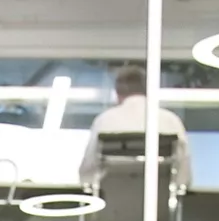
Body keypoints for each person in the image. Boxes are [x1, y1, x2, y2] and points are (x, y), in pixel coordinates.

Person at [81, 65, 193, 193]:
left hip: (112, 198)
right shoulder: (170, 121)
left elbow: (88, 169)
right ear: (148, 91)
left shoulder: (104, 120)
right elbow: (184, 169)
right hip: (159, 198)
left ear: (118, 93)